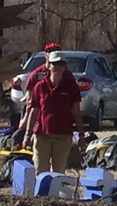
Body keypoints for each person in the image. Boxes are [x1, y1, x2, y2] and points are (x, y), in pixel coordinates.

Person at [21, 45, 89, 177]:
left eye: (61, 64)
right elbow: (34, 111)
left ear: (65, 67)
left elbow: (76, 112)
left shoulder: (70, 86)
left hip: (63, 136)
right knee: (41, 172)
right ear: (49, 66)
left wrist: (81, 134)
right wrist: (27, 135)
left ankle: (55, 191)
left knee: (58, 174)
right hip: (42, 135)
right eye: (55, 64)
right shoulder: (40, 87)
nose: (58, 67)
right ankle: (42, 191)